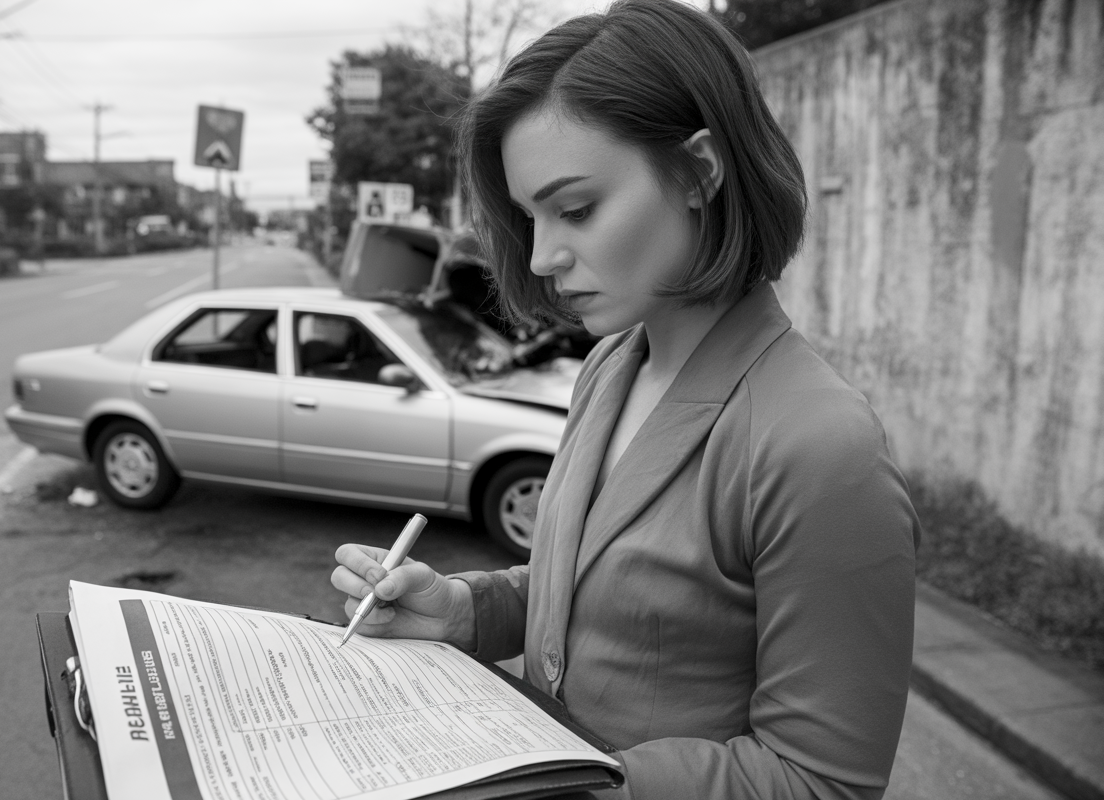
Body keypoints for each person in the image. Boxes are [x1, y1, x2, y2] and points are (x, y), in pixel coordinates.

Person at [331, 1, 919, 798]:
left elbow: (823, 782)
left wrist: (581, 784)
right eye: (529, 215)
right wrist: (463, 612)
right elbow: (584, 586)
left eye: (575, 210)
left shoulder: (820, 447)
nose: (541, 255)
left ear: (699, 172)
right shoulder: (609, 367)